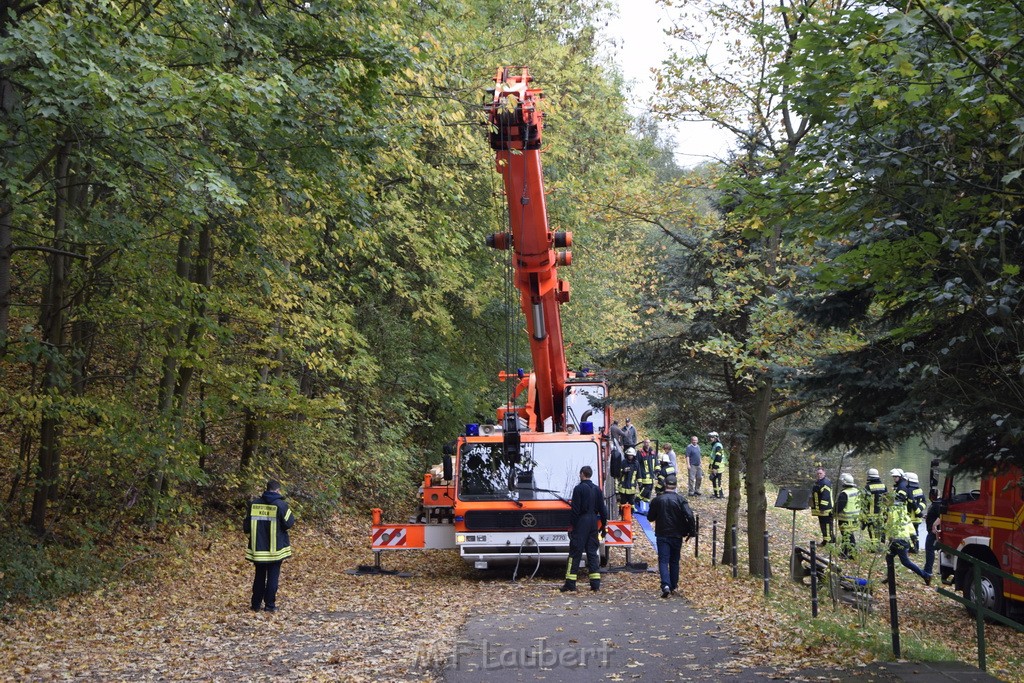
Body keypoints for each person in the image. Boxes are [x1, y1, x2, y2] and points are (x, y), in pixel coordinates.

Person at [244, 479, 296, 613]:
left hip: (258, 549)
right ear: (278, 490)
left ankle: (255, 605)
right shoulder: (281, 505)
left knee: (259, 576)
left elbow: (246, 526)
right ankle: (269, 605)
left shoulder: (254, 504)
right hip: (275, 550)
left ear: (266, 489)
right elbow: (290, 523)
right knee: (273, 577)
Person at [561, 466, 609, 593]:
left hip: (582, 522)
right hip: (593, 522)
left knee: (575, 553)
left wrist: (572, 526)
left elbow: (575, 510)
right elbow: (603, 510)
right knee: (592, 553)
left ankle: (570, 583)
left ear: (582, 474)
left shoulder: (578, 489)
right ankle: (595, 584)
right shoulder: (597, 490)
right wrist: (604, 525)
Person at [647, 474, 695, 598]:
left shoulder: (658, 500)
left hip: (662, 534)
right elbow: (689, 515)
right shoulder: (680, 499)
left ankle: (665, 585)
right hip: (677, 534)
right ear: (676, 485)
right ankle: (673, 585)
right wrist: (692, 531)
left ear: (665, 485)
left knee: (663, 560)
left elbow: (650, 517)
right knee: (674, 561)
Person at [886, 484, 931, 585]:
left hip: (898, 540)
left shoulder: (892, 512)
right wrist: (913, 536)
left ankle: (925, 575)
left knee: (905, 562)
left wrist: (887, 536)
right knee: (889, 557)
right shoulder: (903, 511)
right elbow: (909, 524)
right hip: (901, 540)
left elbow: (888, 525)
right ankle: (889, 577)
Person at [834, 472, 860, 559]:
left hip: (845, 519)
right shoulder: (856, 491)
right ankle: (845, 552)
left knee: (846, 536)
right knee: (849, 535)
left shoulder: (844, 493)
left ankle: (851, 554)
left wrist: (833, 512)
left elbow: (839, 506)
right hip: (855, 518)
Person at [922, 495, 947, 579]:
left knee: (930, 550)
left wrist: (935, 524)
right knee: (933, 550)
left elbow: (942, 515)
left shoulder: (937, 504)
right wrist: (928, 516)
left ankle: (928, 571)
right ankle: (932, 570)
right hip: (934, 532)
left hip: (934, 532)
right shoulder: (936, 503)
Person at [861, 468, 887, 542]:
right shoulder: (884, 486)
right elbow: (887, 501)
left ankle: (874, 548)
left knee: (872, 530)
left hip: (871, 514)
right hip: (882, 513)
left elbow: (864, 502)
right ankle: (882, 545)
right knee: (881, 529)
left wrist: (863, 517)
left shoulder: (868, 487)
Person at [811, 466, 834, 546]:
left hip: (825, 510)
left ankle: (828, 542)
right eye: (817, 473)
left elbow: (825, 496)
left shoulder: (825, 483)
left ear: (824, 473)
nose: (819, 475)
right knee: (823, 525)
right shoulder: (818, 482)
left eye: (820, 473)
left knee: (827, 526)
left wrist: (822, 508)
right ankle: (828, 540)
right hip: (820, 510)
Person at [905, 472, 926, 552]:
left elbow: (912, 504)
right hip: (917, 518)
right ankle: (916, 548)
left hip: (910, 517)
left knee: (910, 534)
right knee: (916, 533)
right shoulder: (919, 490)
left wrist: (918, 512)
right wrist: (920, 509)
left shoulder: (908, 490)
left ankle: (913, 548)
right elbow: (924, 502)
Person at [636, 441, 657, 514]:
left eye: (648, 443)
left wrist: (657, 469)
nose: (647, 444)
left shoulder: (652, 452)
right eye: (645, 443)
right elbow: (637, 463)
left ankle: (645, 508)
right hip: (644, 475)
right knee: (645, 489)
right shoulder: (640, 452)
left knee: (649, 492)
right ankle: (637, 500)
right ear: (643, 444)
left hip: (651, 476)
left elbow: (656, 461)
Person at [708, 432, 725, 499]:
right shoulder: (715, 445)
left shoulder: (718, 445)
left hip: (718, 467)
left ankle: (719, 495)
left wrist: (715, 468)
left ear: (715, 438)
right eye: (709, 437)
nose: (710, 439)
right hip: (716, 466)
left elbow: (719, 457)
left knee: (717, 481)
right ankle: (716, 494)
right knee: (714, 480)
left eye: (712, 437)